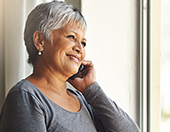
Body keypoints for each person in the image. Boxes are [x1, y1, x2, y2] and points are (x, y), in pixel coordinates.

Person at [0, 1, 140, 132]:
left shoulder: (81, 99)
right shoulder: (26, 96)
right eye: (71, 37)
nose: (80, 49)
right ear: (40, 40)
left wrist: (92, 89)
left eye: (83, 43)